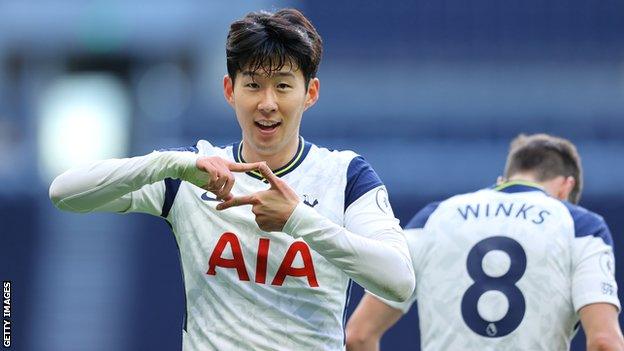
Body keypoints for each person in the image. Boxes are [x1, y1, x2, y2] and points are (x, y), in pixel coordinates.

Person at [48, 8, 414, 351]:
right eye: (253, 85)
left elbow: (399, 281)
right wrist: (169, 163)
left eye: (283, 86)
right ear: (229, 90)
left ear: (310, 94)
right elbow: (64, 193)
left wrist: (297, 218)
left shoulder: (345, 176)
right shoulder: (194, 172)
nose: (267, 103)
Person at [346, 133, 624, 351]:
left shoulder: (432, 219)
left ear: (503, 180)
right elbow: (604, 342)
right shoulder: (582, 226)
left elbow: (358, 335)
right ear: (566, 187)